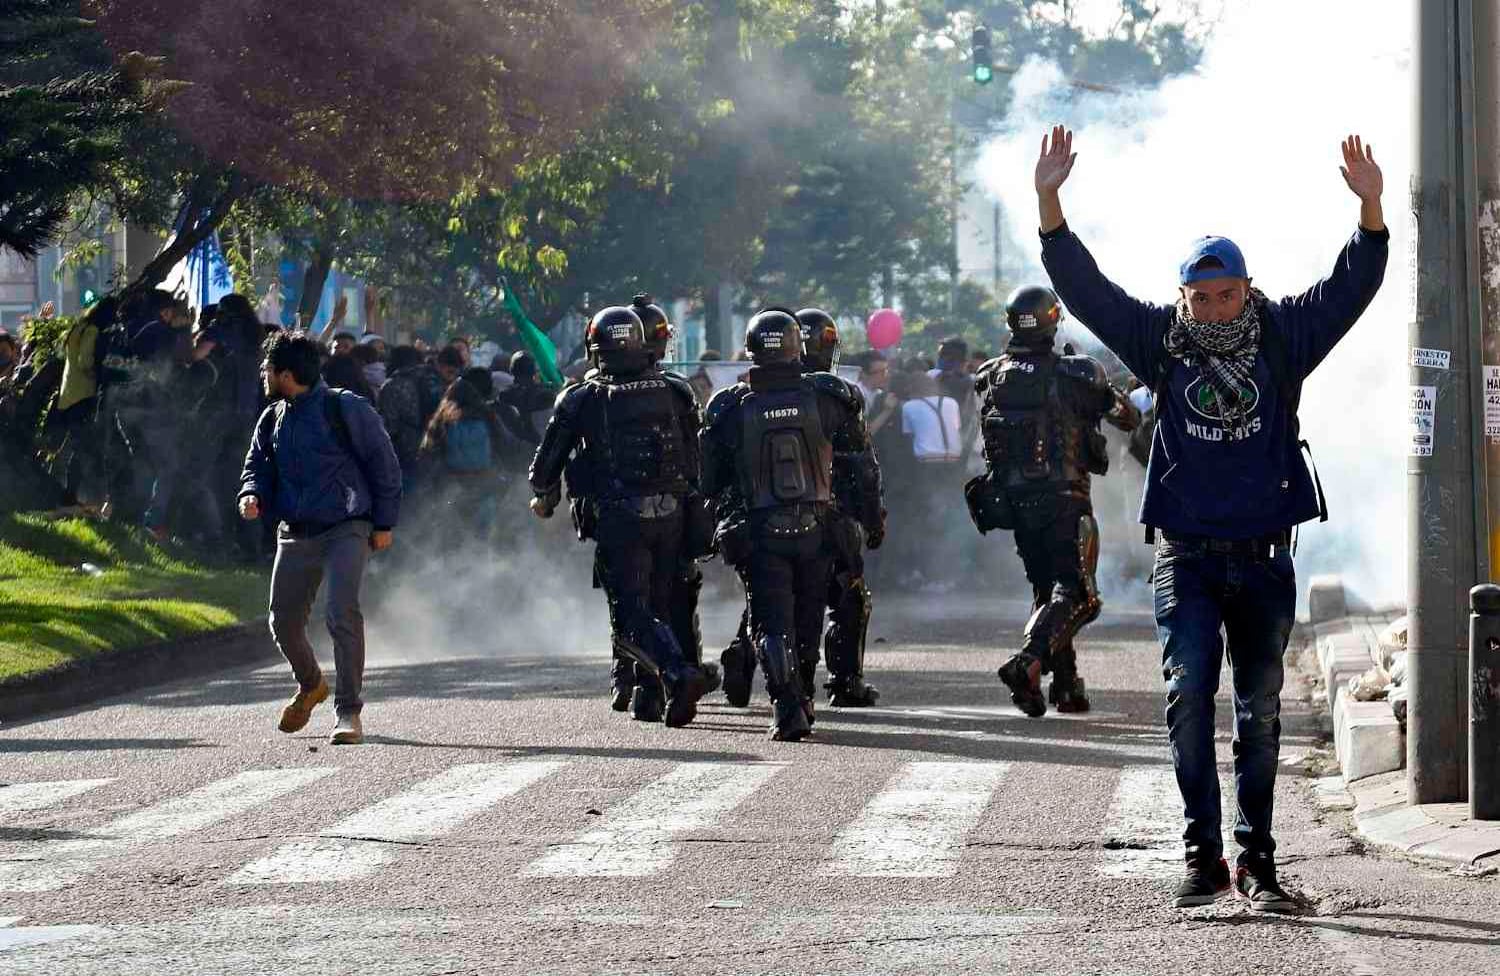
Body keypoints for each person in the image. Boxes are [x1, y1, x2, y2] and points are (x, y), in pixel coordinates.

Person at [1032, 125, 1388, 910]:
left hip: (1263, 560)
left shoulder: (1285, 336)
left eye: (1227, 295)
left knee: (1258, 718)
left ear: (1247, 290)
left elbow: (1349, 290)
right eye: (1201, 297)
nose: (1215, 309)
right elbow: (1089, 292)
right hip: (1187, 559)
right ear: (1185, 298)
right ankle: (1203, 858)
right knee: (1187, 695)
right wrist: (1050, 205)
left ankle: (1259, 864)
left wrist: (1370, 212)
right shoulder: (1162, 340)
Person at [528, 306, 711, 727]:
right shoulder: (678, 390)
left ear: (596, 349)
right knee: (660, 604)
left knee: (631, 615)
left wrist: (545, 496)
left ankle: (677, 674)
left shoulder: (581, 398)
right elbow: (699, 459)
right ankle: (650, 697)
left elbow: (544, 468)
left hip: (620, 517)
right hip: (674, 515)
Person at [700, 308, 877, 740]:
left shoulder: (728, 407)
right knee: (808, 619)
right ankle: (804, 697)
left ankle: (787, 706)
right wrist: (868, 517)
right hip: (817, 529)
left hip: (761, 533)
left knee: (771, 623)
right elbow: (861, 468)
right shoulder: (830, 397)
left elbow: (708, 481)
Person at [968, 284, 1140, 721]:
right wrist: (1111, 386)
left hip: (1015, 502)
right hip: (1065, 499)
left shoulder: (991, 374)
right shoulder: (1076, 372)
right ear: (1052, 319)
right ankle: (1028, 662)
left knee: (1049, 591)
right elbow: (1127, 417)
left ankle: (1066, 686)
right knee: (1081, 596)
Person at [238, 330, 403, 746]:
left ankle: (348, 712)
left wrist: (383, 523)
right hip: (295, 532)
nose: (263, 373)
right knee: (282, 620)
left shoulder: (345, 408)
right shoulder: (272, 417)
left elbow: (385, 466)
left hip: (348, 526)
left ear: (286, 373)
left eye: (267, 368)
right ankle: (311, 684)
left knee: (340, 613)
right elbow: (256, 464)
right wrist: (251, 493)